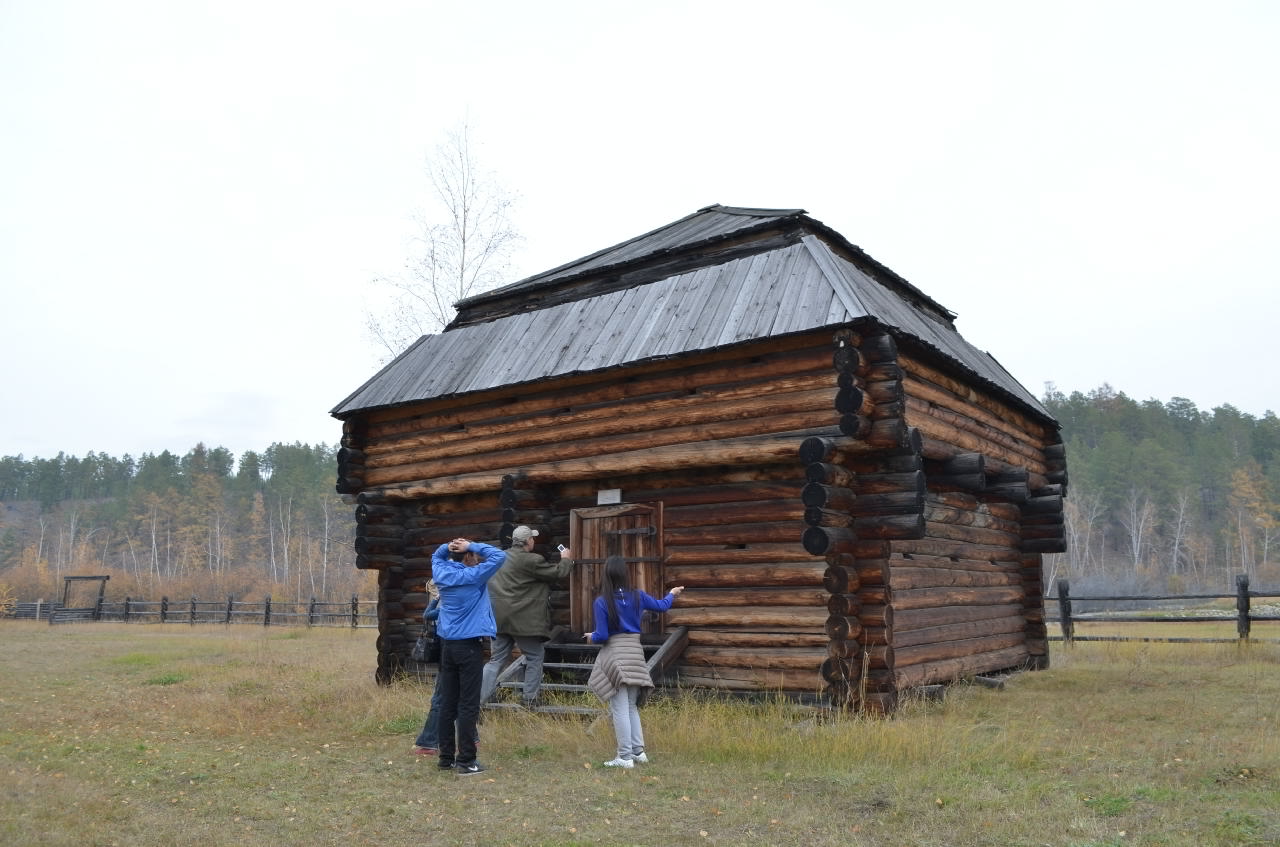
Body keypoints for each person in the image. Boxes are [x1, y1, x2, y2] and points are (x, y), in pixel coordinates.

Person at [583, 555, 684, 769]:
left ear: (606, 574)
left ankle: (625, 757)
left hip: (616, 653)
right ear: (625, 574)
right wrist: (672, 594)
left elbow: (602, 635)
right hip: (635, 652)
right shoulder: (638, 596)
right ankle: (638, 752)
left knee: (619, 707)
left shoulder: (602, 601)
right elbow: (662, 606)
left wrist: (591, 636)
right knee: (630, 706)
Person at [432, 536, 505, 775]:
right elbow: (500, 556)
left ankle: (445, 758)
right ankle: (466, 760)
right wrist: (470, 545)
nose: (477, 558)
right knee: (468, 704)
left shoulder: (441, 570)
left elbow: (436, 555)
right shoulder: (473, 576)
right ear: (467, 557)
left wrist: (448, 546)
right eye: (474, 555)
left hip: (447, 645)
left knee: (447, 703)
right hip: (469, 645)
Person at [481, 525, 574, 707]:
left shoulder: (498, 558)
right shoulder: (532, 560)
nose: (534, 541)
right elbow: (558, 573)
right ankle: (530, 699)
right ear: (528, 541)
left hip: (498, 620)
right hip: (523, 622)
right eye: (533, 538)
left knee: (495, 661)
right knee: (535, 657)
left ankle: (479, 700)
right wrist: (566, 559)